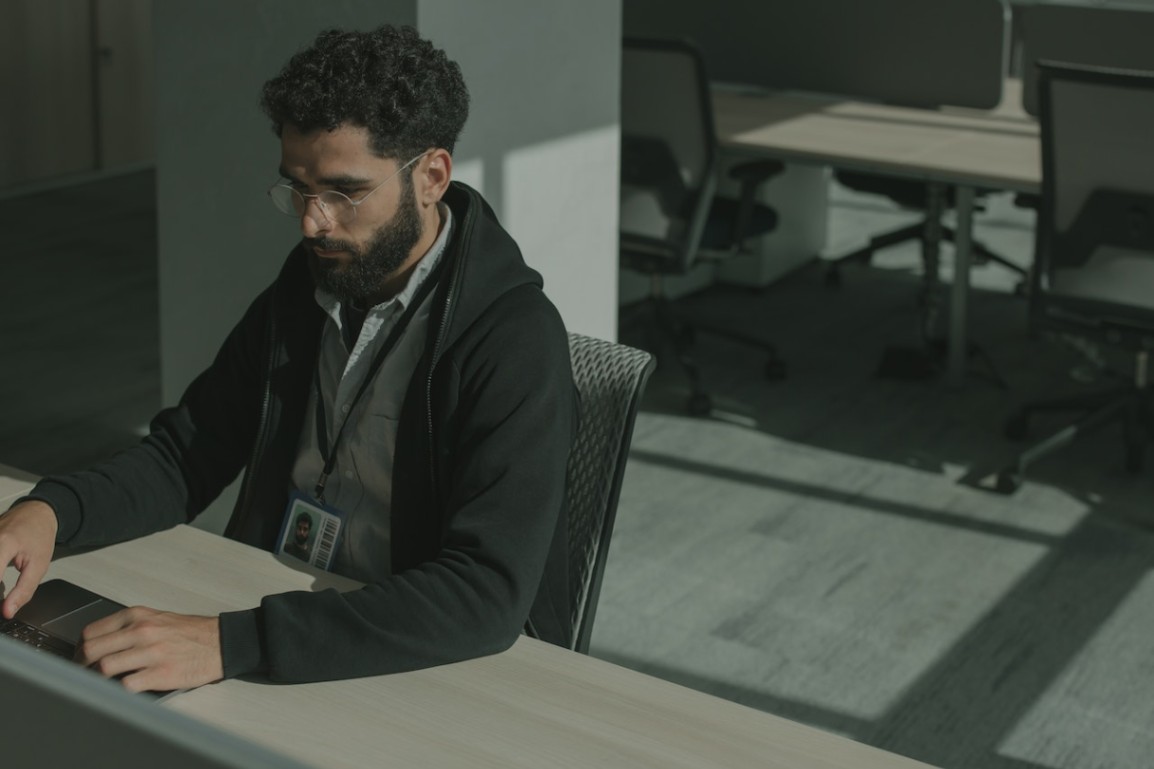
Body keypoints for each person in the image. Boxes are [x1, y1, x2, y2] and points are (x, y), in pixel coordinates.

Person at [0, 24, 576, 693]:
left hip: (426, 657)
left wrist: (228, 641)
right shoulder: (307, 289)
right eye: (297, 189)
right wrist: (48, 512)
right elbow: (188, 452)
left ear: (431, 176)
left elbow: (482, 593)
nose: (310, 221)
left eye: (342, 192)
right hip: (289, 616)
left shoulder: (513, 339)